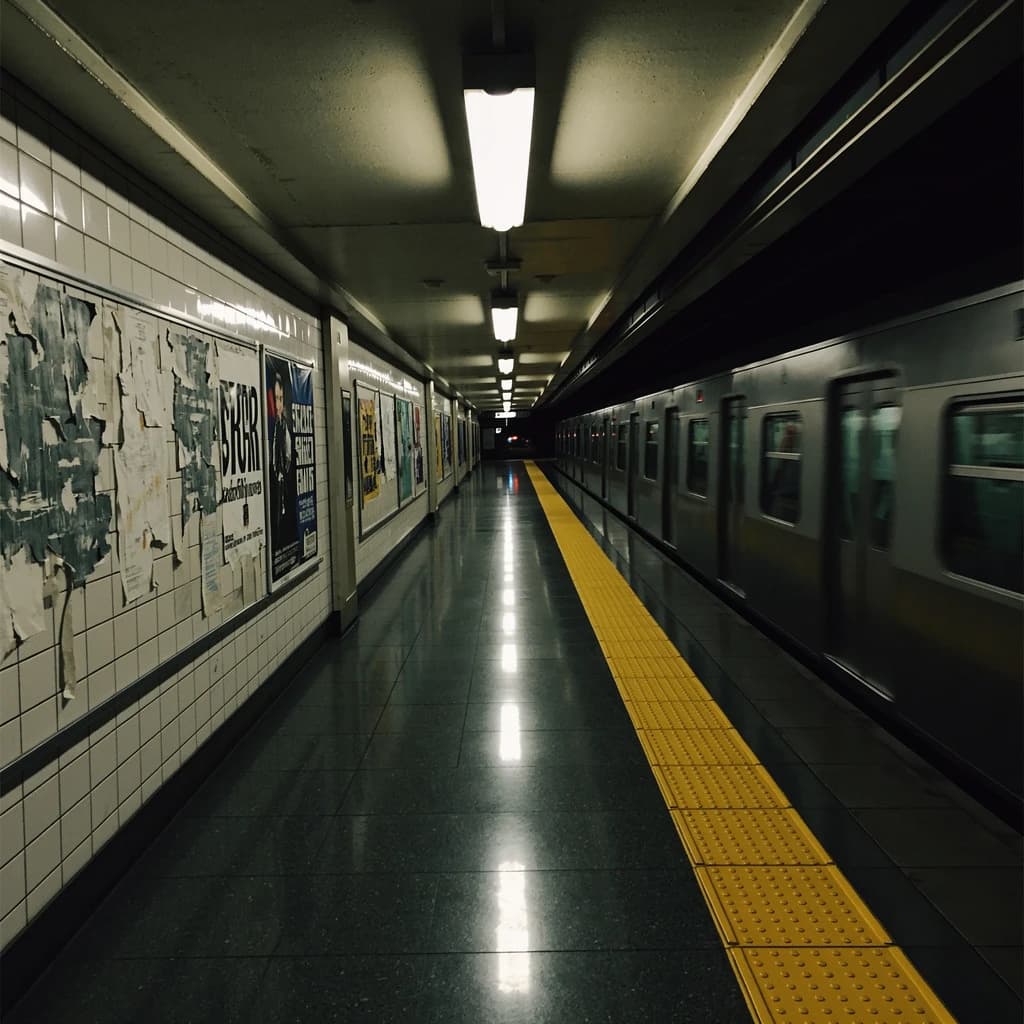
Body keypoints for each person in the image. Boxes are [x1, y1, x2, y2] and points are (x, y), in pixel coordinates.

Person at [270, 368, 297, 552]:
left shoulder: (284, 427)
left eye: (281, 399)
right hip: (275, 481)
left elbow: (288, 455)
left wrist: (282, 472)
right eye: (276, 399)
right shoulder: (273, 427)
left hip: (281, 480)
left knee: (282, 516)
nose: (278, 404)